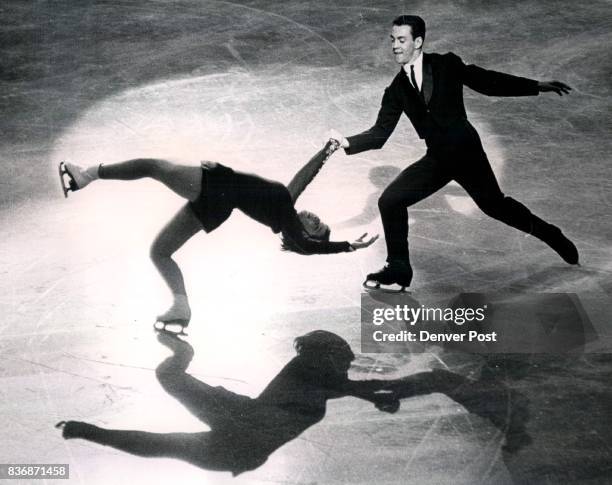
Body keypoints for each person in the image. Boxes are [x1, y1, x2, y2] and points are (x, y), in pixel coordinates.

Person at [330, 15, 579, 290]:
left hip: (466, 152)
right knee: (390, 201)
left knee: (495, 206)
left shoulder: (446, 63)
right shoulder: (397, 89)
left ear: (418, 41)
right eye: (393, 40)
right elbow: (379, 134)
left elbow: (486, 81)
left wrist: (536, 86)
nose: (395, 46)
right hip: (438, 158)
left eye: (401, 40)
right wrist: (347, 142)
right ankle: (399, 269)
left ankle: (551, 234)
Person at [59, 141, 378, 331]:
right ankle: (181, 306)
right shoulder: (284, 206)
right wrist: (326, 151)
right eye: (318, 219)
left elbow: (307, 248)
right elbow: (302, 180)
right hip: (218, 204)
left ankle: (86, 175)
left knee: (152, 166)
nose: (313, 217)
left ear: (306, 235)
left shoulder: (288, 224)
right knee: (160, 251)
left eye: (315, 225)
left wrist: (347, 246)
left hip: (217, 186)